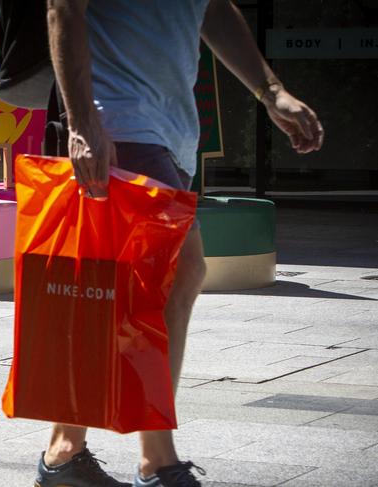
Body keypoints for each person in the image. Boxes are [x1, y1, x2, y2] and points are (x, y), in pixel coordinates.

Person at [34, 1, 324, 487]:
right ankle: (156, 459)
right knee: (178, 271)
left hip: (173, 127)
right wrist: (82, 123)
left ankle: (65, 451)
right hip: (116, 122)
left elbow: (210, 7)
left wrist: (270, 90)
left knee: (109, 290)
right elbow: (63, 8)